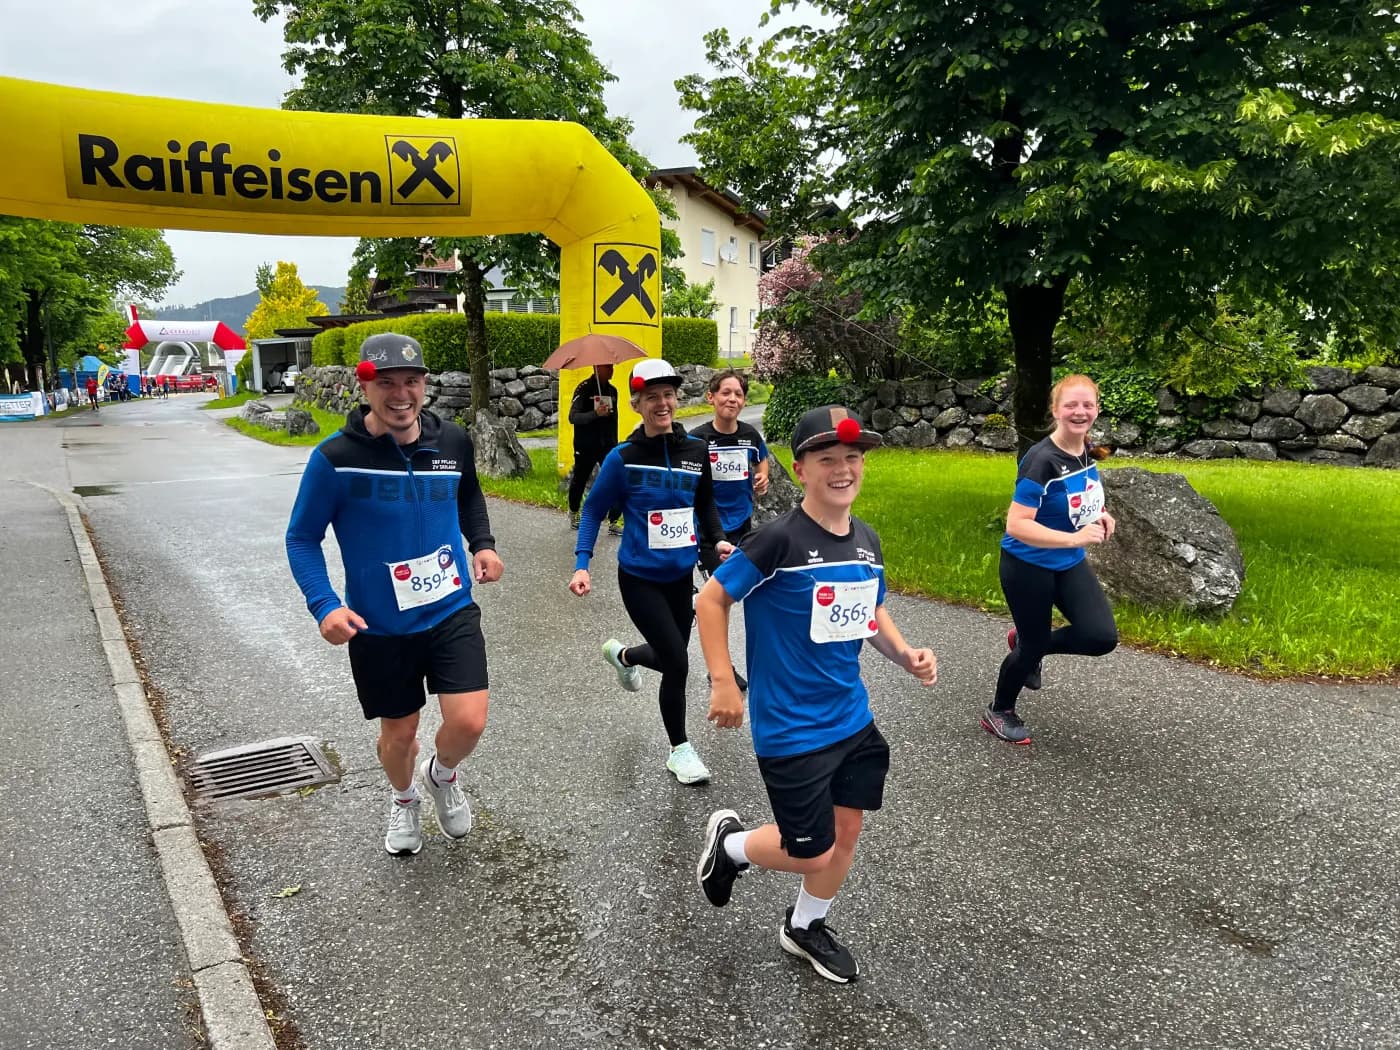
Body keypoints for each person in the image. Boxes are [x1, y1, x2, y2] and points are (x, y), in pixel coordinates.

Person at [693, 405, 937, 983]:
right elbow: (711, 600)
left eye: (852, 458)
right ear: (799, 469)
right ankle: (729, 847)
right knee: (810, 850)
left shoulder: (867, 540)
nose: (843, 469)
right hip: (791, 728)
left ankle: (804, 926)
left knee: (845, 832)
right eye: (827, 458)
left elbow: (870, 610)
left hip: (852, 720)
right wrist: (724, 680)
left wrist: (906, 655)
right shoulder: (777, 541)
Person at [286, 332, 504, 855]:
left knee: (469, 720)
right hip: (379, 625)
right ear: (365, 385)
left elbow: (468, 493)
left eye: (411, 381)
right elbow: (301, 537)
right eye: (386, 383)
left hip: (451, 606)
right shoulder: (334, 459)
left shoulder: (451, 441)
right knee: (400, 733)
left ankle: (443, 776)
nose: (401, 394)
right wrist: (325, 606)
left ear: (425, 385)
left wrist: (483, 544)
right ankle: (404, 798)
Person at [568, 358, 732, 785]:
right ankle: (680, 750)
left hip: (680, 577)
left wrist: (717, 541)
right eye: (652, 397)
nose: (663, 404)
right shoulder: (623, 458)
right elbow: (593, 511)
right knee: (678, 663)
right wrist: (582, 564)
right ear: (637, 404)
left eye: (669, 395)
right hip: (639, 578)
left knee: (669, 657)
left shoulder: (696, 452)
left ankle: (623, 656)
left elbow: (705, 504)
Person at [984, 373, 1119, 746]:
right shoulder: (1041, 460)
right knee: (1032, 644)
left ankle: (1029, 642)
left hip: (1067, 561)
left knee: (1100, 636)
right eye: (1071, 405)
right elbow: (1016, 525)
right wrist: (1076, 537)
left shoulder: (1086, 450)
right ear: (1055, 410)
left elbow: (1081, 497)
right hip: (1027, 565)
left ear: (1097, 409)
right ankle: (1000, 710)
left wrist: (1100, 514)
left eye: (1087, 405)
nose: (1080, 412)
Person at [688, 369, 771, 691]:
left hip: (742, 526)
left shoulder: (750, 435)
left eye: (738, 394)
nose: (732, 399)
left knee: (739, 596)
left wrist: (762, 477)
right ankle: (720, 669)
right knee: (719, 599)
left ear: (744, 401)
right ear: (711, 397)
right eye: (725, 393)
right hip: (708, 530)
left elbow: (760, 460)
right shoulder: (697, 438)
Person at [566, 363, 622, 535]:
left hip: (607, 444)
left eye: (612, 366)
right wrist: (595, 414)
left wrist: (615, 444)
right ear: (597, 368)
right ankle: (574, 512)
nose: (611, 370)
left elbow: (614, 420)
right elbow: (573, 417)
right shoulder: (583, 389)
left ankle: (613, 521)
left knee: (616, 480)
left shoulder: (613, 391)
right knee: (580, 479)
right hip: (586, 445)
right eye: (607, 367)